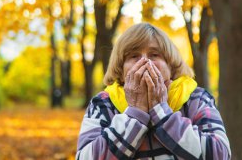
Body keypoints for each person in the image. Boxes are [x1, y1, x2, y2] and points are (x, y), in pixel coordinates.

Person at [76, 23, 231, 160]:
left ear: (171, 65)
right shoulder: (103, 104)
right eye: (134, 56)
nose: (145, 61)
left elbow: (220, 154)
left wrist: (161, 112)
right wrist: (135, 113)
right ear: (121, 70)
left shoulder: (196, 98)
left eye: (154, 55)